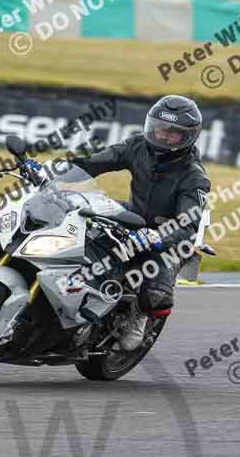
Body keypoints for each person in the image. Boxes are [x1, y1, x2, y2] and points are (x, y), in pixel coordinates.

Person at [71, 95, 211, 351]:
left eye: (173, 133)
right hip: (132, 217)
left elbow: (188, 226)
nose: (163, 136)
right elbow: (96, 162)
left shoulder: (194, 176)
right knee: (80, 231)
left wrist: (157, 238)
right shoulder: (137, 146)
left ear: (188, 137)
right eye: (160, 128)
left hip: (168, 237)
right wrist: (54, 172)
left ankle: (139, 314)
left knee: (155, 295)